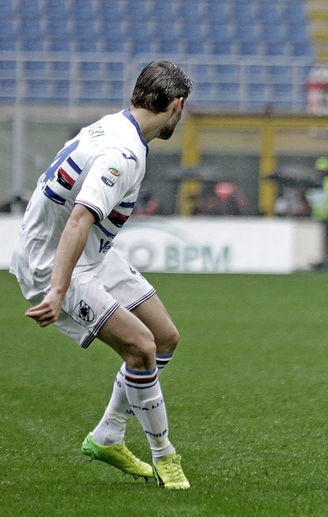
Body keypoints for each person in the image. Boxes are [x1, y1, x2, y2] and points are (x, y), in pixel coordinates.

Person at [9, 60, 193, 489]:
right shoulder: (122, 154)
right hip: (55, 261)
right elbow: (78, 220)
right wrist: (57, 290)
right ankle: (165, 457)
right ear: (177, 105)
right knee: (141, 347)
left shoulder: (118, 126)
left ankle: (108, 435)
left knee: (164, 336)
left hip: (91, 252)